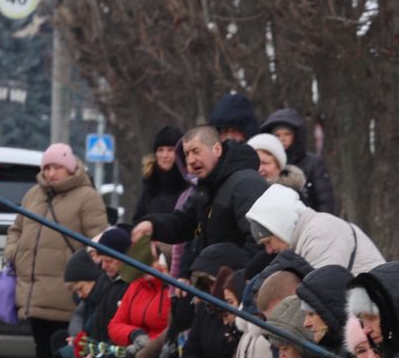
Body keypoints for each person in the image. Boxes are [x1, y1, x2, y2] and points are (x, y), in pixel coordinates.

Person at [4, 143, 111, 358]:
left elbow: (99, 239)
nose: (51, 173)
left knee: (63, 344)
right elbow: (16, 229)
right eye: (48, 167)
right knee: (41, 347)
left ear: (70, 168)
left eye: (58, 167)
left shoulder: (87, 197)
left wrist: (83, 269)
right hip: (35, 287)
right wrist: (14, 252)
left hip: (67, 290)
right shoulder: (33, 195)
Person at [135, 126, 268, 255]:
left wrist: (234, 273)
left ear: (217, 149)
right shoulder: (205, 188)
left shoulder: (245, 183)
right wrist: (153, 225)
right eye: (187, 154)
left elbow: (261, 242)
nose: (191, 160)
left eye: (196, 151)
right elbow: (184, 223)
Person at [245, 184, 383, 276]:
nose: (268, 250)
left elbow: (323, 294)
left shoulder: (322, 232)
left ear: (280, 227)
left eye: (268, 241)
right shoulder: (309, 234)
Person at [261, 107, 337, 214]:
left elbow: (325, 202)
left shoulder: (313, 163)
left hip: (308, 224)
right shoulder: (266, 165)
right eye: (277, 135)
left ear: (296, 136)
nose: (282, 139)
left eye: (287, 134)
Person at [130, 126, 188, 223]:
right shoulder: (150, 183)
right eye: (160, 150)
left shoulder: (189, 184)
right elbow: (137, 220)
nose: (164, 155)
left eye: (170, 150)